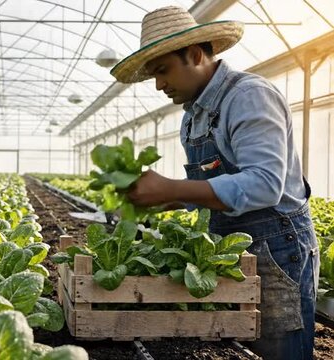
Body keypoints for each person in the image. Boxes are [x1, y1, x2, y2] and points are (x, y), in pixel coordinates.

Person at [110, 6, 319, 360]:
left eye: (163, 71)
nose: (159, 85)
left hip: (277, 250)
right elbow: (215, 189)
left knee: (278, 350)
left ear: (194, 55)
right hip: (228, 251)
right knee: (240, 347)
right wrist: (165, 201)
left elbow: (264, 184)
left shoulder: (248, 96)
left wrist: (173, 187)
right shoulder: (193, 116)